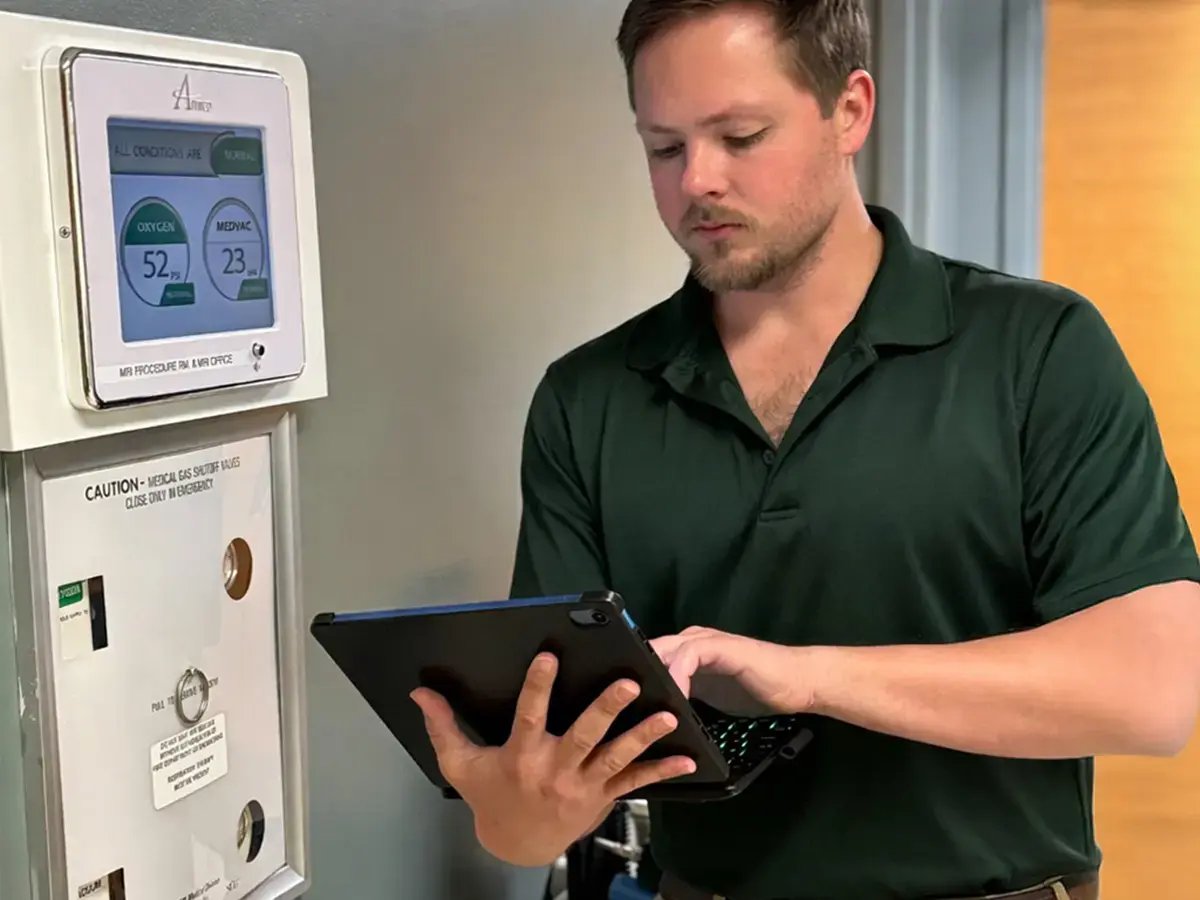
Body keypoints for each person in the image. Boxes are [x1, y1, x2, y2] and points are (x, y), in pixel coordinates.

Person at [410, 1, 1200, 897]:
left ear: (850, 109)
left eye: (740, 136)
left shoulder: (1039, 349)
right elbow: (538, 815)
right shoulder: (587, 400)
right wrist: (516, 808)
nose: (696, 180)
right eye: (664, 148)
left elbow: (1154, 688)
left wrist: (807, 677)